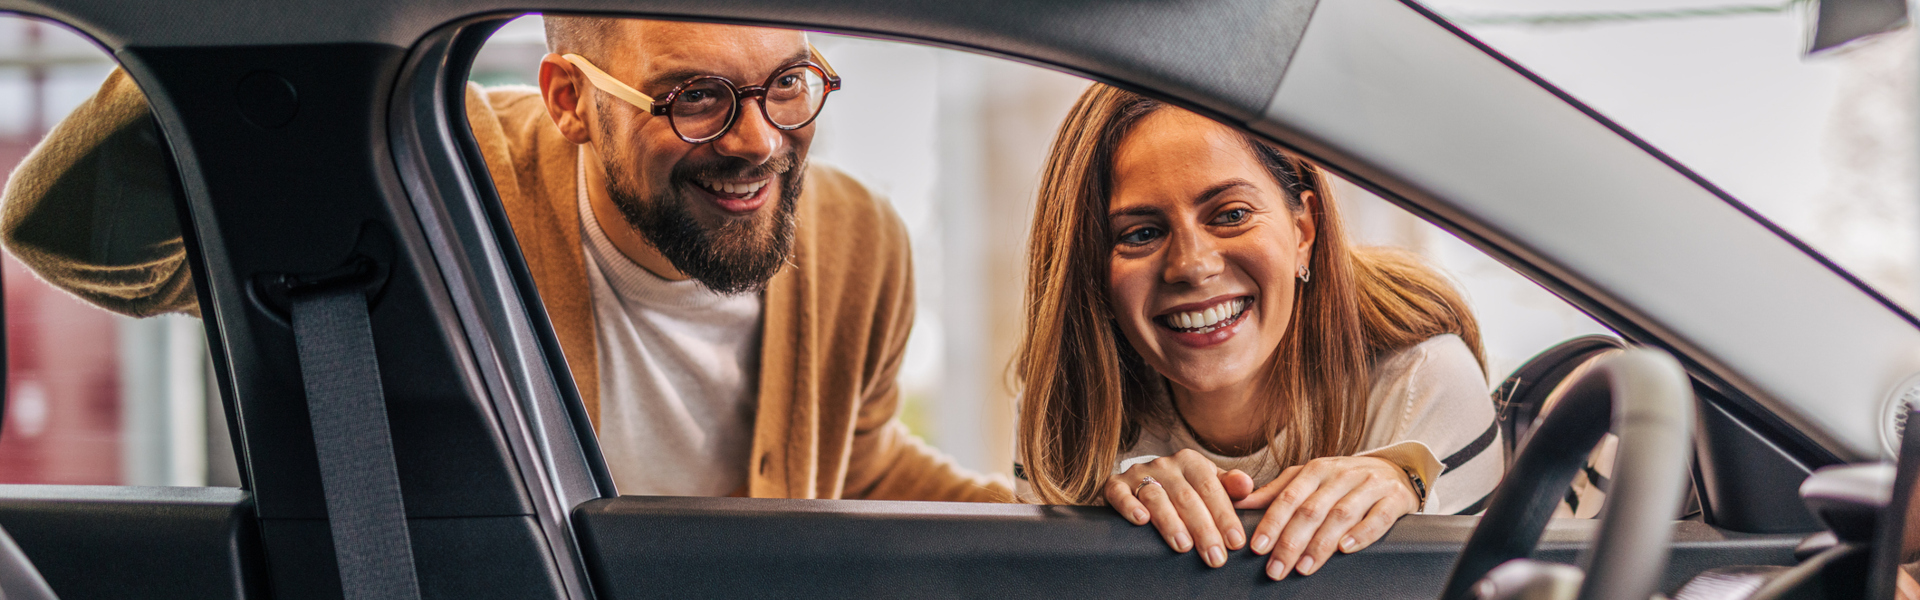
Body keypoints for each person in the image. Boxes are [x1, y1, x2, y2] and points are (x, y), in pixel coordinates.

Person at [0, 17, 1011, 502]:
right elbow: (69, 234)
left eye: (786, 84)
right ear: (570, 99)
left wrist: (1094, 517)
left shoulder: (861, 242)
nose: (757, 142)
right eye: (693, 98)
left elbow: (860, 461)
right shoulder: (432, 177)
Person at [1013, 85, 1503, 579]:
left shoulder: (1424, 382)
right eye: (1140, 233)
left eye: (1231, 215)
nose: (1192, 266)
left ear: (1303, 231)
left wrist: (1408, 489)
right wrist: (1109, 522)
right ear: (1089, 270)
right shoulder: (1066, 408)